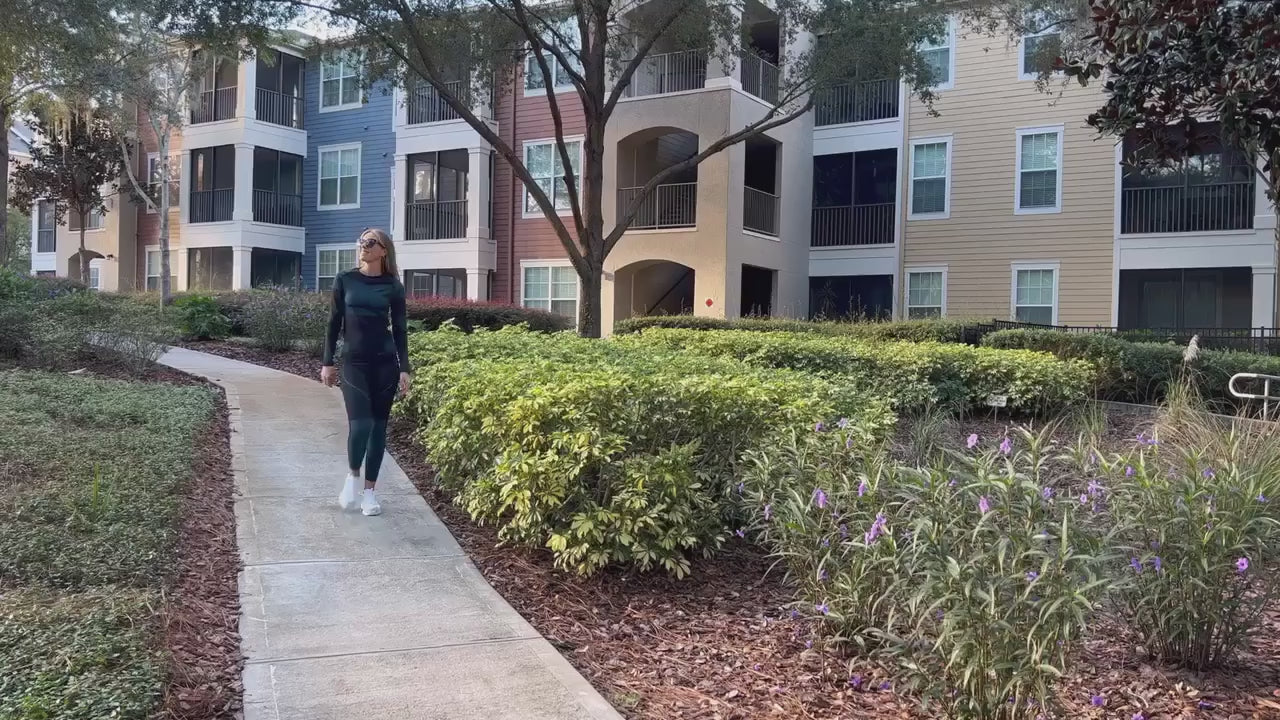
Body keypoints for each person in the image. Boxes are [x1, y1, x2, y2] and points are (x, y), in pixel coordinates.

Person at [320, 228, 411, 517]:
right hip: (353, 364)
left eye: (370, 242)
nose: (364, 245)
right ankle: (353, 476)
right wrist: (327, 362)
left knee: (378, 429)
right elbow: (334, 323)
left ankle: (370, 493)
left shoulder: (393, 287)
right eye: (361, 240)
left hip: (385, 364)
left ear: (383, 250)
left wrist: (404, 368)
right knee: (361, 425)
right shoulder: (345, 279)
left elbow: (399, 329)